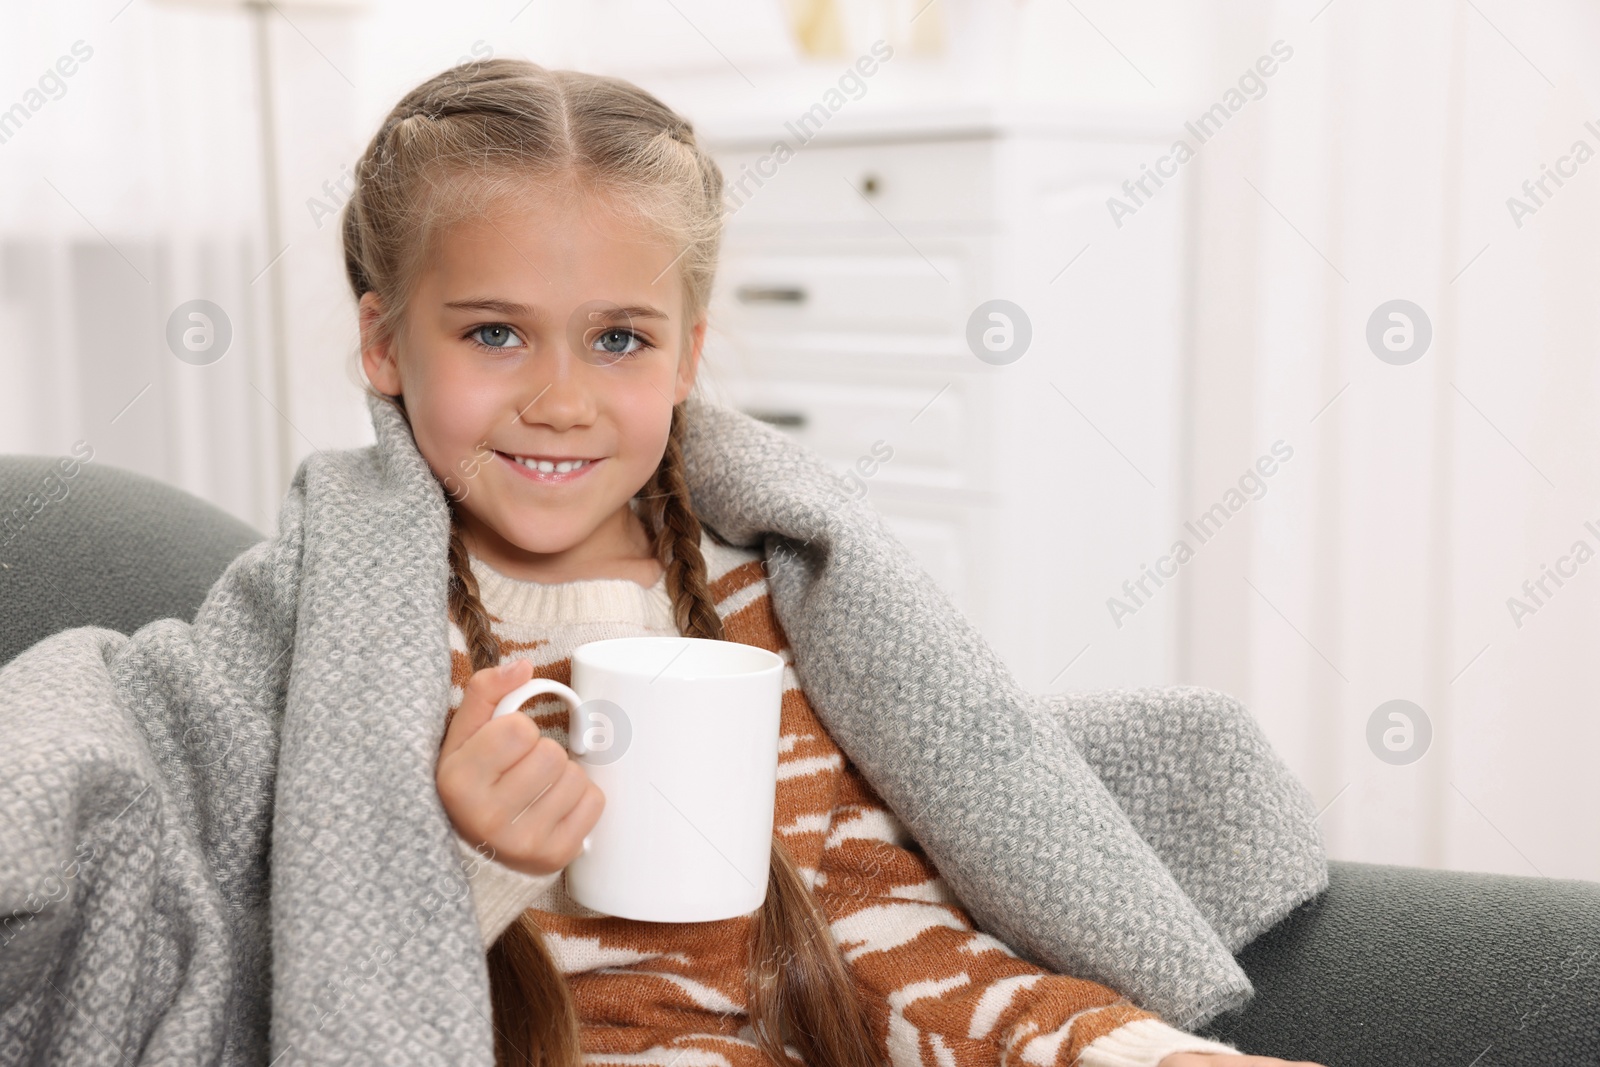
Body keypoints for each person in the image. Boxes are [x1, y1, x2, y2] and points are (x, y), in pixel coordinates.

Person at [343, 57, 1329, 1067]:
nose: (560, 398)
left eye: (619, 338)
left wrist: (1128, 1050)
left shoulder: (757, 598)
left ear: (687, 354)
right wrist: (470, 862)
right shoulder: (363, 638)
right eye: (495, 332)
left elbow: (872, 923)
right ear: (383, 342)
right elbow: (303, 994)